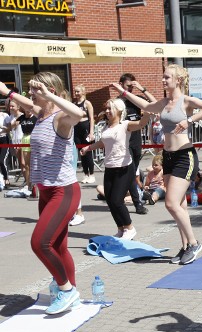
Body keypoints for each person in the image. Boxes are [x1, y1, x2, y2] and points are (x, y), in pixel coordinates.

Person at [112, 64, 202, 265]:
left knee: (170, 203)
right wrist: (124, 92)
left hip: (184, 156)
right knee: (180, 206)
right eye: (163, 77)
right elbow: (145, 106)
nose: (163, 80)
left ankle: (194, 243)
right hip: (168, 157)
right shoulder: (163, 103)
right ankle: (186, 246)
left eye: (167, 77)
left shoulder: (185, 101)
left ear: (177, 80)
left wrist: (190, 120)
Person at [0, 73, 84, 314]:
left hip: (64, 191)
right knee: (59, 247)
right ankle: (71, 292)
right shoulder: (41, 114)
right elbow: (29, 104)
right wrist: (8, 94)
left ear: (51, 92)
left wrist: (48, 96)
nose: (31, 93)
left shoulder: (61, 117)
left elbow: (78, 115)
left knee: (40, 243)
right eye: (31, 88)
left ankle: (66, 289)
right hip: (46, 192)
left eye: (36, 89)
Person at [80, 98, 149, 239]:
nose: (107, 111)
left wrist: (147, 112)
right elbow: (102, 142)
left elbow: (142, 123)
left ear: (119, 110)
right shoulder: (106, 127)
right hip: (110, 168)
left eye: (110, 108)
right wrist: (88, 148)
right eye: (106, 109)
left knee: (117, 200)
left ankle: (130, 228)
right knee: (110, 201)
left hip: (124, 168)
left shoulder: (125, 125)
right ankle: (121, 228)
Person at [118, 73, 157, 215]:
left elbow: (154, 104)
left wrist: (142, 89)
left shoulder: (136, 99)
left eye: (132, 87)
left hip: (136, 139)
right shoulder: (118, 102)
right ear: (121, 84)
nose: (131, 89)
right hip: (124, 140)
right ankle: (137, 203)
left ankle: (128, 197)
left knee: (132, 172)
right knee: (130, 172)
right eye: (128, 86)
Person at [73, 84, 95, 183]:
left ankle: (92, 174)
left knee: (88, 152)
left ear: (82, 92)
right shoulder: (74, 104)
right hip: (77, 129)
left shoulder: (87, 103)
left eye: (78, 91)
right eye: (75, 92)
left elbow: (91, 118)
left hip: (85, 128)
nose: (76, 93)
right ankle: (86, 174)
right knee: (81, 153)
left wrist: (91, 132)